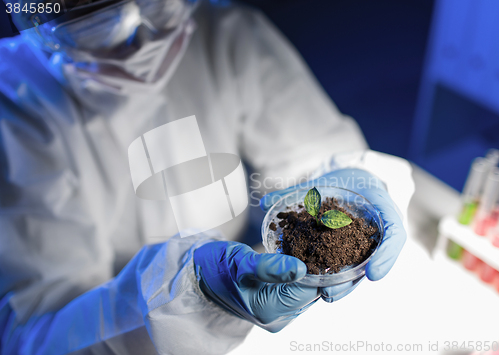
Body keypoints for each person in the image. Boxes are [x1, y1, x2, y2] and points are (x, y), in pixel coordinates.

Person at [0, 0, 414, 353]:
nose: (140, 38)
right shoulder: (13, 109)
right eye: (96, 21)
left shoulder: (230, 35)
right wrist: (191, 292)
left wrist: (356, 179)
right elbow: (37, 332)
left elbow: (315, 160)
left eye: (157, 4)